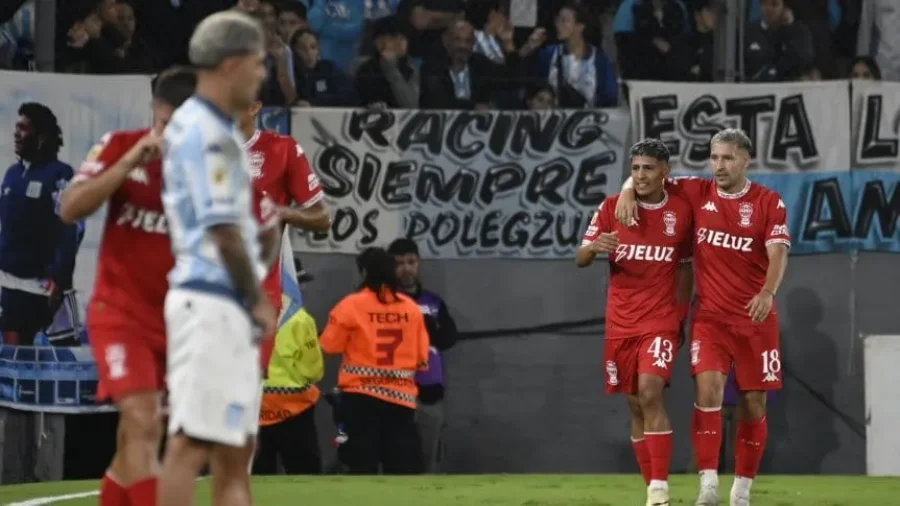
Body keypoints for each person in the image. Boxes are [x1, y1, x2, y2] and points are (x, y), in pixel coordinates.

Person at [614, 128, 790, 506]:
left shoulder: (768, 202)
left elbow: (778, 252)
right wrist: (628, 190)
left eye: (727, 158)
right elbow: (650, 175)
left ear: (745, 160)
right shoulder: (697, 192)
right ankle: (708, 485)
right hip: (709, 319)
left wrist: (767, 291)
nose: (719, 165)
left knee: (753, 404)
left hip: (755, 319)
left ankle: (741, 493)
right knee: (707, 393)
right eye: (714, 157)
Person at [58, 66, 197, 506]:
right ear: (158, 110)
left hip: (177, 321)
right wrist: (129, 162)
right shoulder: (120, 146)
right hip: (121, 314)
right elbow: (70, 208)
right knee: (143, 421)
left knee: (136, 440)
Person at [157, 11, 278, 506]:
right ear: (232, 64)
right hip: (210, 304)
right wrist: (256, 299)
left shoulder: (209, 128)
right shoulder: (206, 133)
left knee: (235, 447)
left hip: (220, 305)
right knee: (190, 444)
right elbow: (223, 232)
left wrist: (263, 239)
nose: (263, 75)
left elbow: (235, 230)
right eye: (259, 63)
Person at [576, 139, 693, 506]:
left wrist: (680, 315)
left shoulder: (680, 210)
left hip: (659, 320)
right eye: (636, 169)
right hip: (620, 323)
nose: (640, 175)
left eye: (648, 168)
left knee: (650, 392)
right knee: (634, 403)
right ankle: (652, 489)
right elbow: (580, 257)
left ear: (664, 172)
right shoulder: (612, 208)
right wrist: (596, 248)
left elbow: (686, 268)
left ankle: (659, 489)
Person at [320, 247, 430, 475]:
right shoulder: (411, 309)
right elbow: (421, 359)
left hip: (359, 400)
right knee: (401, 470)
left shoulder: (350, 305)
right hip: (401, 402)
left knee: (360, 468)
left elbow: (329, 346)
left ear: (363, 273)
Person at [0, 102, 80, 346]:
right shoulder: (12, 174)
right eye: (16, 127)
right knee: (14, 362)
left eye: (23, 128)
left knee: (63, 360)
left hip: (47, 287)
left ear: (41, 136)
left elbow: (71, 228)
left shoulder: (60, 175)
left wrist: (58, 276)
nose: (16, 133)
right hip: (12, 285)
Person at [387, 238, 458, 473]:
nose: (406, 268)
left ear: (419, 264)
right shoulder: (382, 302)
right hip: (392, 391)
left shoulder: (433, 302)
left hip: (429, 391)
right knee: (394, 461)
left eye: (411, 262)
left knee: (428, 461)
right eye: (399, 263)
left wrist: (428, 327)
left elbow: (449, 339)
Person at [254, 256, 324, 475]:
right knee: (304, 474)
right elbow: (313, 371)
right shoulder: (301, 319)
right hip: (294, 408)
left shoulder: (247, 312)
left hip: (254, 406)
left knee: (257, 476)